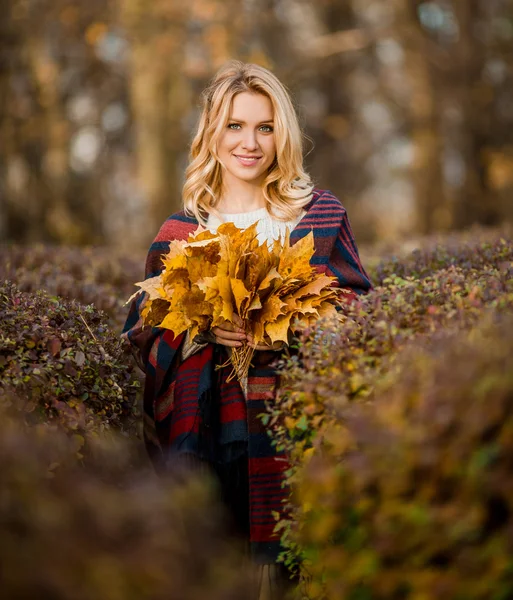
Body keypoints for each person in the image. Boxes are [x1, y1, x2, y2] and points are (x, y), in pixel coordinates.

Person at [122, 60, 372, 598]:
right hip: (207, 426)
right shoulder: (183, 230)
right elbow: (142, 331)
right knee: (214, 571)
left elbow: (355, 307)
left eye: (265, 127)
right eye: (235, 125)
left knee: (287, 574)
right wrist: (201, 330)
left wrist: (288, 321)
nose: (250, 143)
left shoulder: (318, 215)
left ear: (282, 133)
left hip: (290, 421)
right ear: (212, 133)